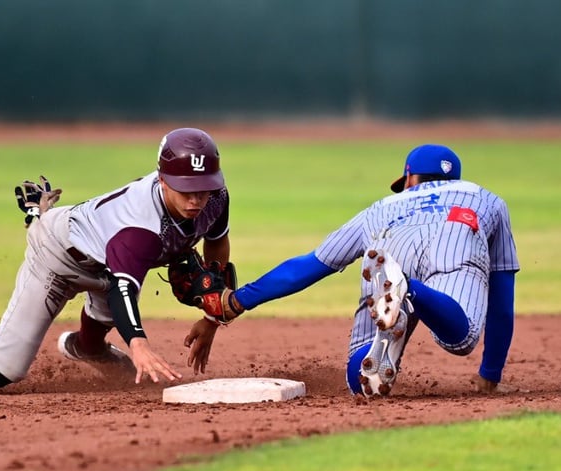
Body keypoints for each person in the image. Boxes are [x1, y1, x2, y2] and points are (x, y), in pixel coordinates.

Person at [0, 127, 233, 390]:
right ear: (162, 178)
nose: (195, 200)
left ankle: (83, 346)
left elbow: (217, 248)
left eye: (203, 188)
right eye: (185, 188)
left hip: (107, 263)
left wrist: (211, 318)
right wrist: (137, 344)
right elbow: (123, 291)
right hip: (59, 256)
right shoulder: (139, 226)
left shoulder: (215, 199)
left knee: (95, 340)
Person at [189, 143, 519, 398]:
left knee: (360, 383)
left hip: (388, 250)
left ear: (410, 179)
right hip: (455, 238)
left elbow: (310, 266)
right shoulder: (486, 199)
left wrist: (237, 301)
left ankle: (396, 294)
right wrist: (490, 374)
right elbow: (502, 297)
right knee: (459, 340)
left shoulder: (381, 208)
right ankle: (410, 290)